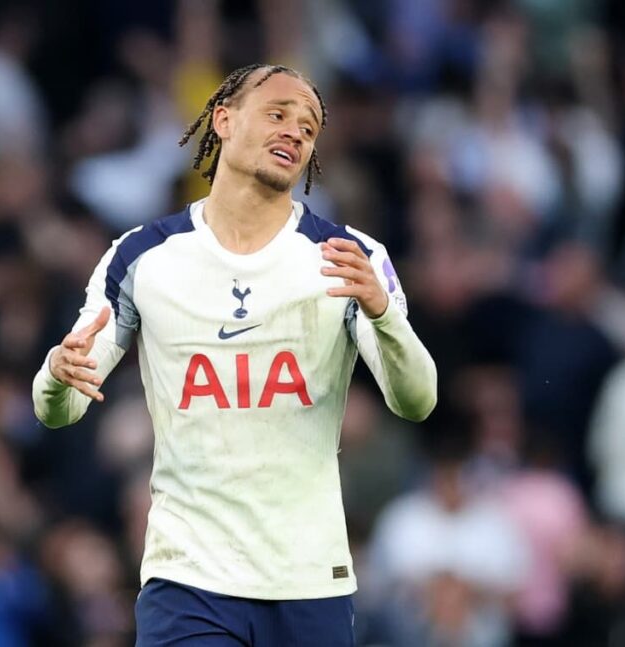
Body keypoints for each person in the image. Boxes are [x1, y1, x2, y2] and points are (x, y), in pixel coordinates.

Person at [32, 63, 437, 646]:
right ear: (223, 119)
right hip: (188, 578)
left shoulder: (350, 257)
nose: (295, 132)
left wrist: (383, 315)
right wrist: (55, 373)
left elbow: (418, 401)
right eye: (278, 114)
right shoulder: (143, 256)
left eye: (309, 126)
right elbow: (60, 407)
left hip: (308, 581)